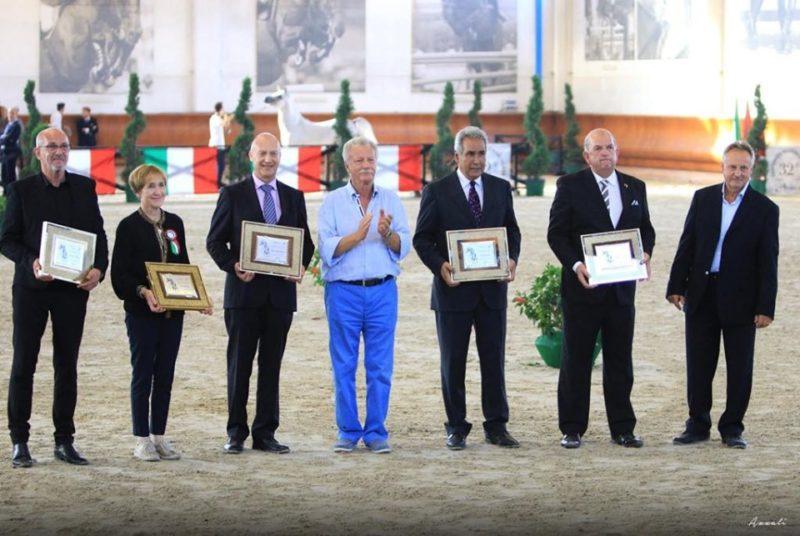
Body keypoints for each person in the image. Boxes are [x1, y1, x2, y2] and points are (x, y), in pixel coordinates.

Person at [0, 127, 108, 468]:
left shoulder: (85, 188)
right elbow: (6, 240)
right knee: (24, 364)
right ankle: (20, 441)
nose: (58, 151)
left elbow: (98, 234)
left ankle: (64, 440)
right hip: (31, 290)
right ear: (37, 153)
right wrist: (31, 262)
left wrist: (99, 269)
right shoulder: (20, 191)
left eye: (63, 146)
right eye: (50, 147)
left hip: (72, 291)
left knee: (66, 365)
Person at [413, 126, 521, 451]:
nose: (476, 160)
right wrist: (440, 266)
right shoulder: (436, 191)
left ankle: (497, 425)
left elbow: (512, 231)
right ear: (456, 156)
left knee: (494, 360)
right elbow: (422, 238)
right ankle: (456, 427)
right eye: (470, 154)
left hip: (492, 293)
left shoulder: (501, 188)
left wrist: (512, 259)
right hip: (452, 293)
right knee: (453, 362)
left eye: (481, 154)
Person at [206, 132, 314, 455]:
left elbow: (306, 243)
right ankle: (235, 432)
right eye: (262, 153)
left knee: (271, 367)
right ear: (251, 156)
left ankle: (265, 433)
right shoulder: (232, 194)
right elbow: (214, 241)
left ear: (280, 157)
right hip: (243, 296)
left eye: (273, 154)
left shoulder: (294, 196)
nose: (268, 159)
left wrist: (301, 266)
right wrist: (233, 265)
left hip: (280, 298)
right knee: (239, 365)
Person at [547, 128, 655, 449]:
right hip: (584, 288)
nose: (605, 153)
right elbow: (556, 234)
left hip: (621, 291)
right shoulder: (569, 186)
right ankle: (572, 427)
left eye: (610, 147)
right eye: (598, 149)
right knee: (576, 359)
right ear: (587, 155)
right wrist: (575, 265)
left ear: (617, 152)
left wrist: (646, 254)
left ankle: (622, 428)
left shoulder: (635, 187)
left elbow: (646, 231)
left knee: (620, 360)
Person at [666, 141, 779, 449]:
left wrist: (765, 306)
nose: (737, 173)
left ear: (752, 169)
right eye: (732, 167)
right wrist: (675, 285)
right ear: (722, 167)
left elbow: (768, 262)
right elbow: (687, 244)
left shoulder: (766, 209)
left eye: (743, 167)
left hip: (742, 299)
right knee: (699, 364)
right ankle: (697, 424)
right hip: (701, 293)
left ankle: (732, 427)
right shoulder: (702, 199)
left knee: (740, 367)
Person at [111, 164, 212, 462]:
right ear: (138, 191)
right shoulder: (128, 226)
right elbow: (119, 276)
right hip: (142, 314)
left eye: (161, 185)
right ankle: (141, 439)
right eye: (151, 186)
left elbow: (183, 265)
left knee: (165, 374)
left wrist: (199, 298)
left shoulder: (175, 223)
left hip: (173, 314)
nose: (157, 191)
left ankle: (159, 436)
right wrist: (144, 292)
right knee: (143, 374)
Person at [317, 136, 411, 454]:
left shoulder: (392, 200)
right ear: (347, 165)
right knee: (343, 364)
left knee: (380, 366)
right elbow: (326, 248)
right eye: (359, 160)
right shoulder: (332, 202)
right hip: (343, 292)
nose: (366, 166)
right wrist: (357, 236)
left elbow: (404, 246)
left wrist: (387, 234)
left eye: (370, 159)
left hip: (383, 290)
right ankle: (347, 430)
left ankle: (375, 431)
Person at [1, 106, 23, 194]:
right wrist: (4, 138)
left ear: (16, 114)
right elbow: (4, 137)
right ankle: (6, 191)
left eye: (12, 113)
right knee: (4, 173)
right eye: (9, 113)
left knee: (10, 174)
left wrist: (3, 139)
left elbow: (10, 139)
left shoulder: (17, 125)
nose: (10, 115)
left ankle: (12, 193)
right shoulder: (8, 125)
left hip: (12, 152)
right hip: (5, 153)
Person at [208, 102, 231, 187]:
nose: (223, 111)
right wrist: (226, 117)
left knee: (222, 164)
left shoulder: (218, 119)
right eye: (223, 109)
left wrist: (227, 121)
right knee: (219, 165)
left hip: (220, 146)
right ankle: (217, 182)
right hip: (215, 146)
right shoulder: (214, 118)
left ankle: (218, 182)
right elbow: (224, 123)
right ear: (220, 109)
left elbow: (226, 129)